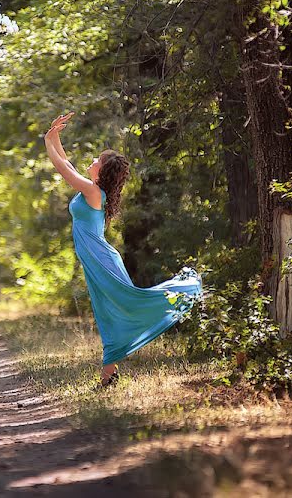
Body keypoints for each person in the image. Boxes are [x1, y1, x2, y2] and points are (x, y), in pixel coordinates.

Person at [44, 112, 202, 387]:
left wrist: (47, 140)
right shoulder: (92, 190)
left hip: (102, 261)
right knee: (107, 311)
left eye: (97, 160)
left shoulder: (93, 193)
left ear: (103, 170)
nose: (92, 161)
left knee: (126, 304)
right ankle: (109, 375)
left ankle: (187, 289)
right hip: (96, 261)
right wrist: (55, 136)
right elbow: (67, 162)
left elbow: (64, 169)